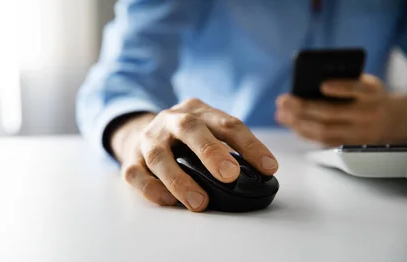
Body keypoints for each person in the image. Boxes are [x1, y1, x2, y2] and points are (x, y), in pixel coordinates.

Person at [76, 0, 407, 212]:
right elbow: (118, 79)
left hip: (370, 182)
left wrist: (399, 116)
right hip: (208, 151)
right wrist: (141, 135)